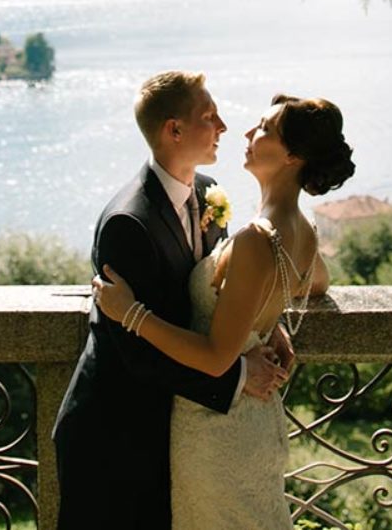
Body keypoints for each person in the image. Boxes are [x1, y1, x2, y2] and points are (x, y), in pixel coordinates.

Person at [92, 93, 356, 530]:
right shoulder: (303, 228)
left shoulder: (256, 238)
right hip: (254, 420)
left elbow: (216, 357)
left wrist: (131, 313)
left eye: (265, 129)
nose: (248, 133)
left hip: (220, 433)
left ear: (291, 156)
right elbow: (317, 281)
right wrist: (263, 322)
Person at [52, 71, 290, 530]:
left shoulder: (207, 192)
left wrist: (262, 320)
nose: (222, 126)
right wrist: (240, 374)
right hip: (115, 438)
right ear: (173, 130)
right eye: (209, 116)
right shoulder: (127, 223)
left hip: (175, 434)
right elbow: (137, 354)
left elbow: (218, 286)